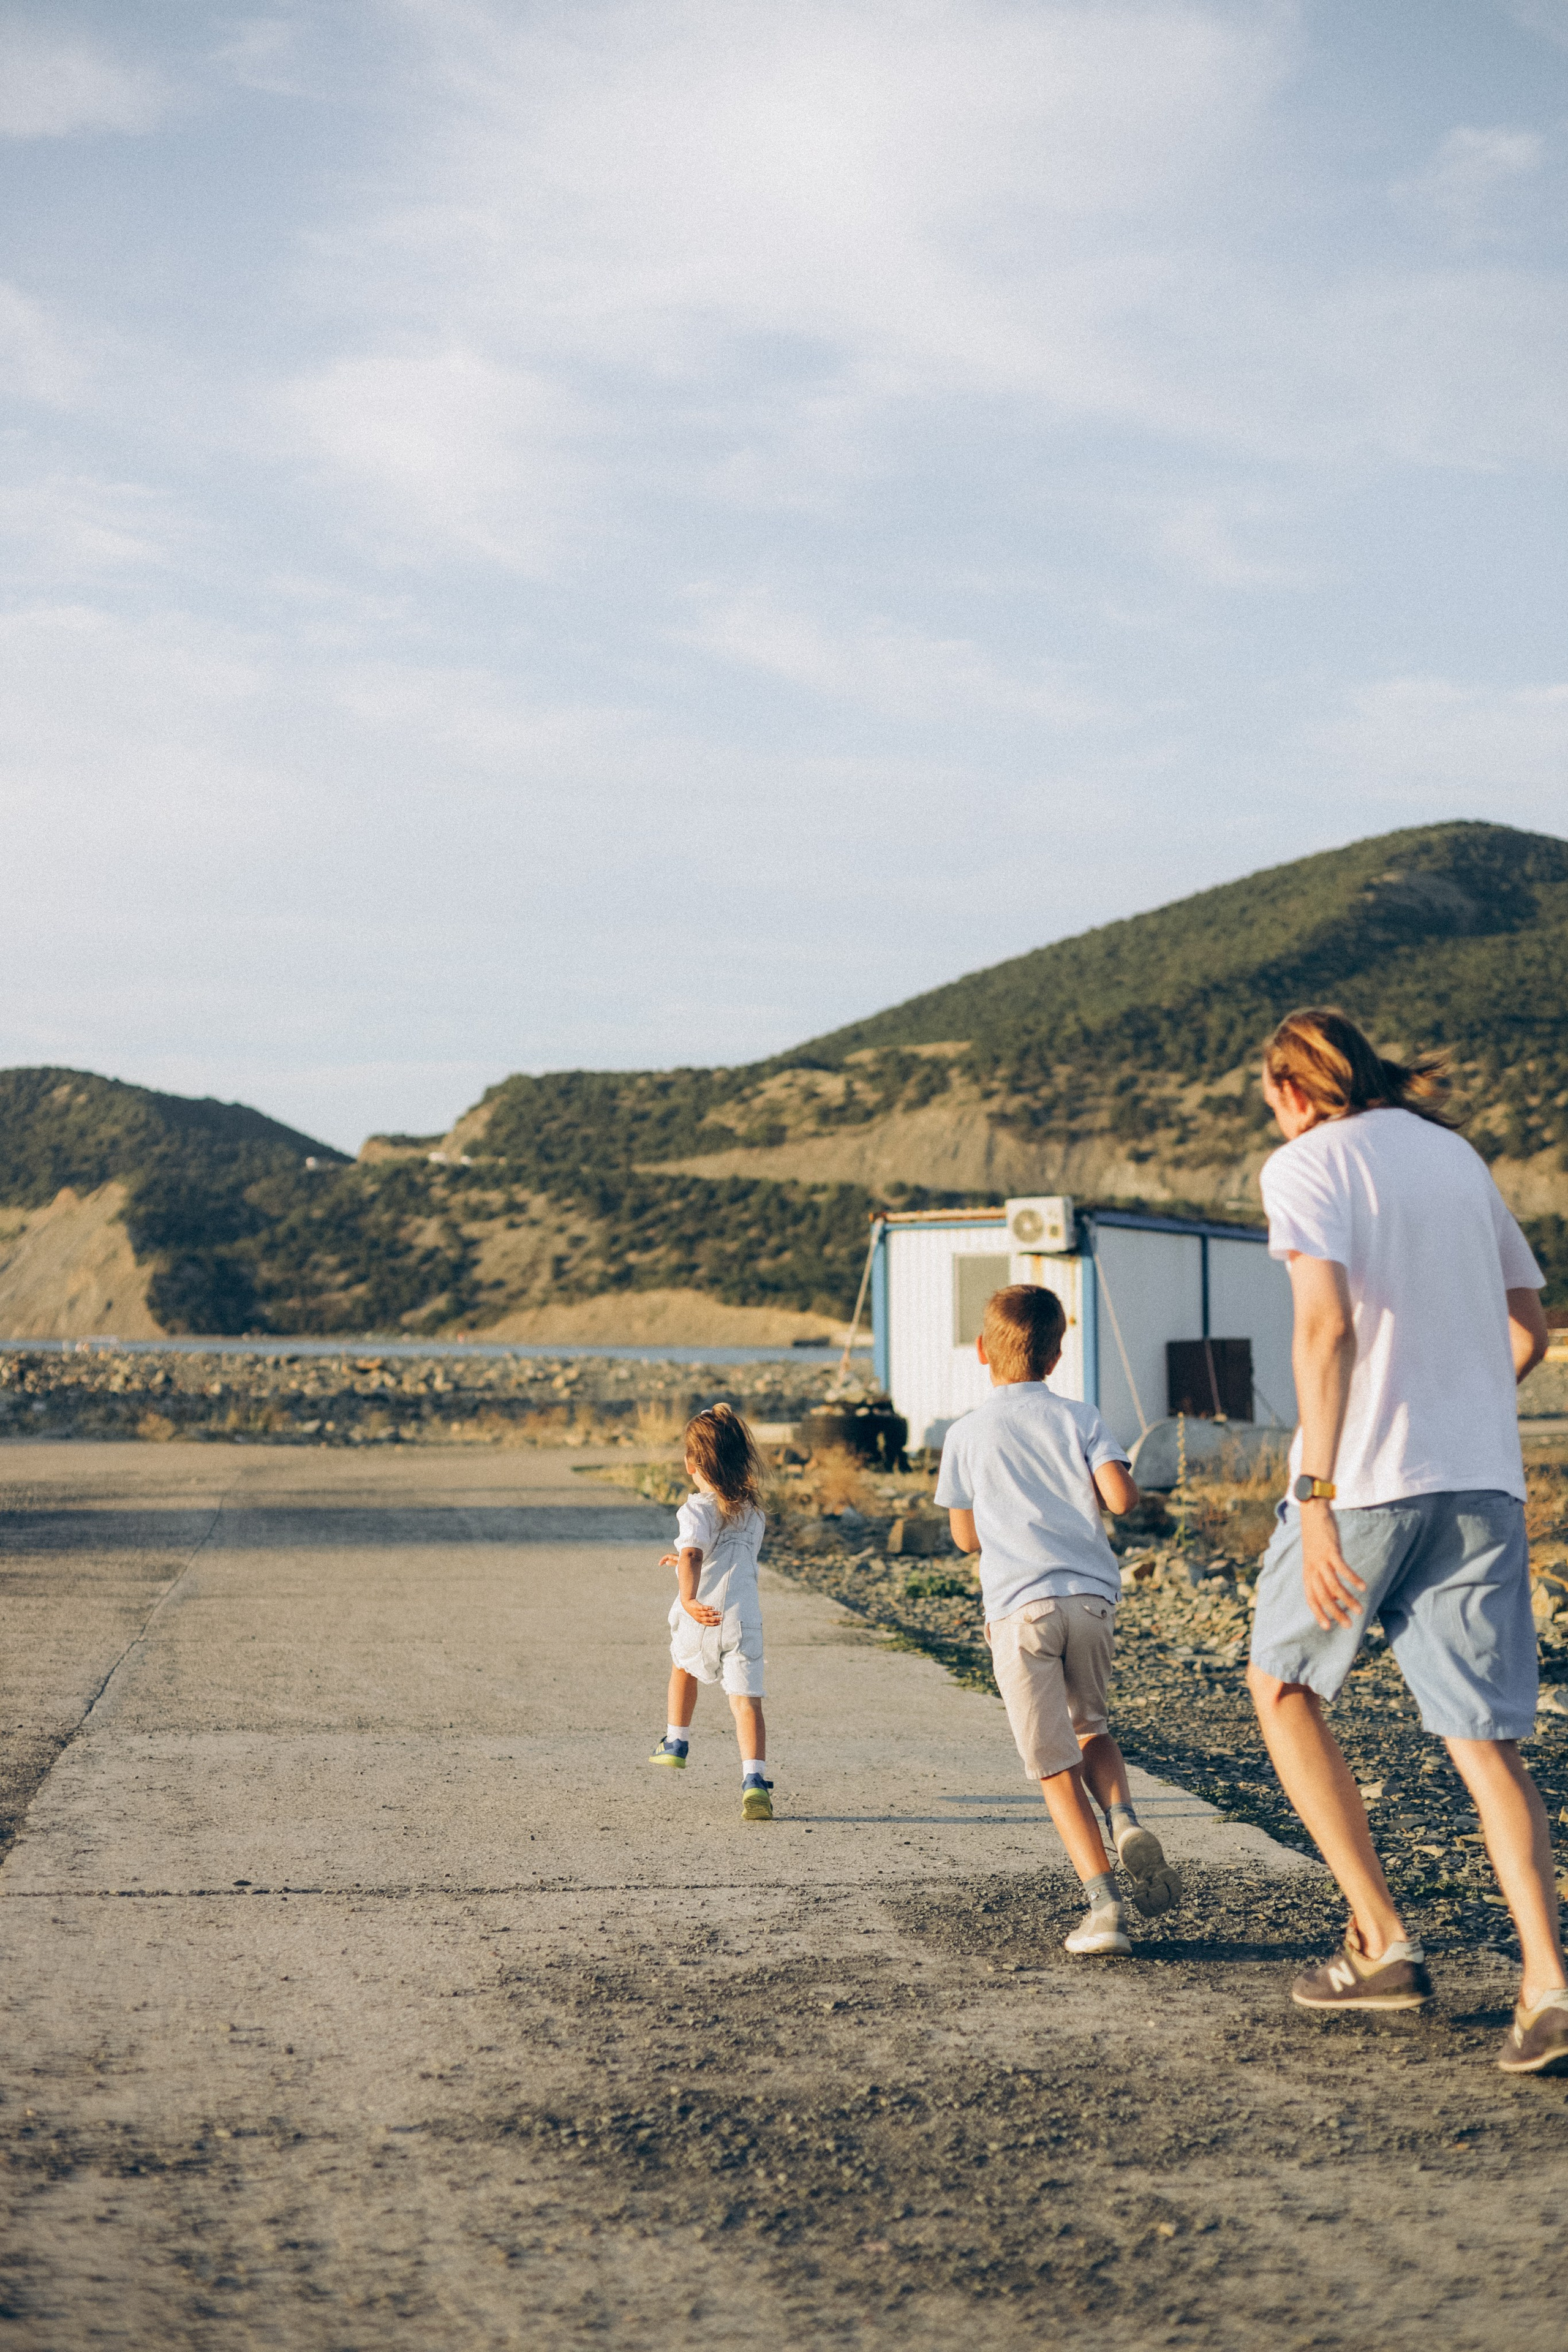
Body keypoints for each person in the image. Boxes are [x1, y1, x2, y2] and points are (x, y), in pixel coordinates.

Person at [1246, 1006, 1567, 2073]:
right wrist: (1462, 1402)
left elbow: (1325, 1328)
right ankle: (1548, 1986)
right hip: (1481, 1479)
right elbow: (1530, 1324)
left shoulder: (1303, 1168)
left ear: (1294, 1090)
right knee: (1486, 1743)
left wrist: (1319, 1494)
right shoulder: (1456, 1159)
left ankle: (1382, 1942)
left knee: (1283, 1689)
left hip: (1367, 1483)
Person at [937, 1284, 1182, 1955]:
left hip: (1022, 1611)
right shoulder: (1080, 1415)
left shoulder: (964, 1434)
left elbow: (964, 1539)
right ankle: (1125, 1819)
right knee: (1092, 1726)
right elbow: (1122, 1498)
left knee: (1052, 1765)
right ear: (1058, 1353)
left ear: (984, 1351)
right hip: (1092, 1602)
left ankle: (1104, 1908)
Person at [647, 1403, 774, 1822]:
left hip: (703, 1615)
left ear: (691, 1463)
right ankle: (754, 1781)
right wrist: (682, 1558)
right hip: (744, 1620)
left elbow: (696, 1554)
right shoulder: (753, 1513)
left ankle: (676, 1741)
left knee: (682, 1667)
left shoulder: (697, 1507)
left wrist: (687, 1596)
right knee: (746, 1703)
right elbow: (729, 1554)